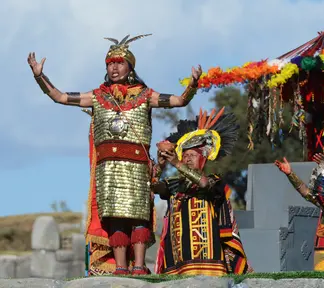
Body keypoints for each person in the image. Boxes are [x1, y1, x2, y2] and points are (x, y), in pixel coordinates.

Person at [27, 33, 202, 276]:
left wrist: (193, 84)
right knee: (115, 218)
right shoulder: (97, 96)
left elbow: (180, 101)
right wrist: (39, 76)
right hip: (108, 169)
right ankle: (120, 268)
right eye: (110, 64)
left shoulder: (145, 95)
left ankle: (139, 267)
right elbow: (60, 97)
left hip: (137, 166)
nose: (114, 68)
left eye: (119, 63)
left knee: (138, 215)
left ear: (130, 67)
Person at [151, 107, 253, 276]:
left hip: (208, 261)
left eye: (192, 155)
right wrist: (161, 165)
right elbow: (153, 187)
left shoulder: (215, 180)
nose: (187, 158)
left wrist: (176, 163)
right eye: (185, 155)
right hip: (177, 262)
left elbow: (205, 184)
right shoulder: (174, 185)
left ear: (203, 159)